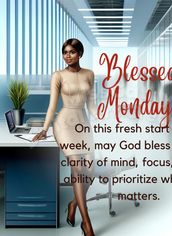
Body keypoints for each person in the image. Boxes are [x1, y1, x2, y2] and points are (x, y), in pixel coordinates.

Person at [32, 38, 96, 236]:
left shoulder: (89, 74)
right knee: (77, 168)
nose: (67, 55)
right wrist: (44, 129)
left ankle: (73, 203)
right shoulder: (58, 75)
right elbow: (52, 105)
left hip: (83, 124)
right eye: (65, 52)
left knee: (90, 172)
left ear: (80, 54)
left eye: (72, 52)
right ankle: (87, 224)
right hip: (65, 123)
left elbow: (91, 105)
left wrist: (109, 118)